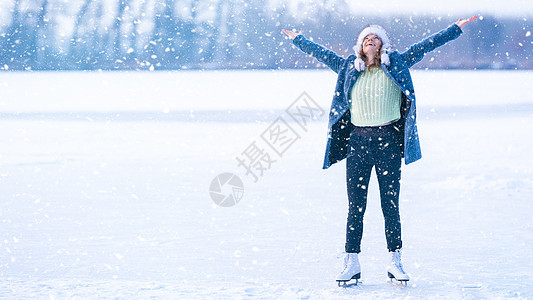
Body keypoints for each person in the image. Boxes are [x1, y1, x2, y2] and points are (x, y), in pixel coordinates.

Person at [282, 16, 478, 285]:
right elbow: (321, 53)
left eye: (375, 37)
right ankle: (351, 262)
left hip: (387, 141)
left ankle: (394, 262)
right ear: (360, 47)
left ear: (383, 45)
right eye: (365, 38)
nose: (370, 40)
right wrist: (298, 39)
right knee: (356, 207)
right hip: (358, 144)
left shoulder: (396, 64)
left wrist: (454, 29)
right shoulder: (348, 67)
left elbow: (425, 46)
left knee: (390, 204)